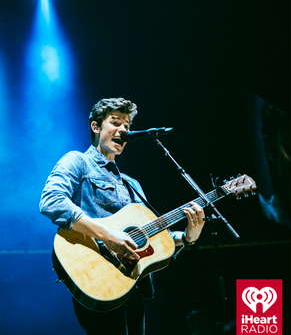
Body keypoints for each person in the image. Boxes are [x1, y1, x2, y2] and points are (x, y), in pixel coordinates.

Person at [39, 97, 206, 335]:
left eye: (127, 125)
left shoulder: (132, 184)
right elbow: (51, 201)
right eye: (116, 122)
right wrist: (108, 235)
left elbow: (155, 235)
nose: (124, 130)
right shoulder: (78, 162)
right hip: (96, 275)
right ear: (96, 127)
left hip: (130, 283)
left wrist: (188, 236)